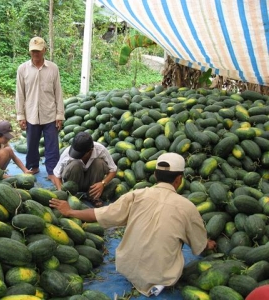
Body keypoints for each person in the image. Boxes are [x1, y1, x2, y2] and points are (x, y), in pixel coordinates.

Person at [50, 152, 216, 297]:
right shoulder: (187, 207)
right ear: (179, 180)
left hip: (126, 268)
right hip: (162, 277)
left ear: (155, 176)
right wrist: (209, 244)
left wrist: (70, 211)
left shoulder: (136, 195)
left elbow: (99, 214)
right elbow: (200, 246)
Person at [15, 36, 65, 178]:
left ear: (44, 50)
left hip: (49, 113)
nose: (35, 54)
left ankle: (52, 171)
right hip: (31, 114)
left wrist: (59, 115)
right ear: (29, 51)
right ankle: (33, 167)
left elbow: (58, 92)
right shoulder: (22, 69)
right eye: (33, 51)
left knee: (52, 146)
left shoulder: (53, 68)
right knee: (31, 145)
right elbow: (20, 94)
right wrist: (21, 115)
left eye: (38, 51)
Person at [49, 132, 117, 207]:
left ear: (90, 151)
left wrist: (103, 183)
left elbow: (113, 170)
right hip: (73, 182)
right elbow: (56, 174)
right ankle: (71, 197)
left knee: (99, 163)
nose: (76, 155)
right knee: (75, 164)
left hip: (91, 183)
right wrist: (61, 192)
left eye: (80, 154)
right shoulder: (67, 152)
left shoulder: (100, 150)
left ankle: (93, 196)